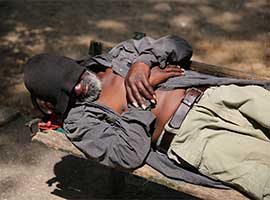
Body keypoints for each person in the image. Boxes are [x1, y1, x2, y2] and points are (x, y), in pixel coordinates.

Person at [24, 35, 270, 200]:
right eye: (67, 92)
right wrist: (141, 98)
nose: (78, 89)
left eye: (75, 79)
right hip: (194, 138)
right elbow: (124, 155)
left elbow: (179, 44)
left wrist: (142, 64)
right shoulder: (80, 123)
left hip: (217, 97)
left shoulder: (120, 55)